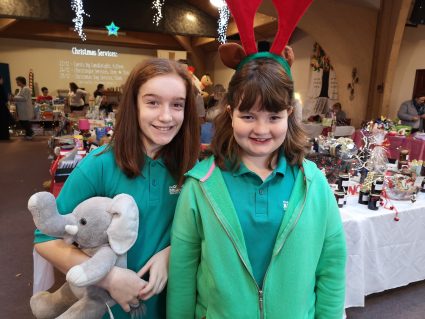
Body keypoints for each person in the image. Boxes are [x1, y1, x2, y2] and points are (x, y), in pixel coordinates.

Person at [167, 57, 347, 318]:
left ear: (289, 115)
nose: (261, 129)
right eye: (248, 116)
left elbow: (331, 264)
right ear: (230, 113)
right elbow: (183, 273)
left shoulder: (313, 184)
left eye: (274, 116)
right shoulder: (199, 186)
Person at [34, 58, 200, 319]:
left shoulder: (191, 167)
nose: (166, 116)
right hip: (108, 308)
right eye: (153, 102)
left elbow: (200, 231)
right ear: (133, 105)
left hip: (171, 304)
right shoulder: (99, 165)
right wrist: (109, 278)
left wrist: (171, 254)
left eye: (177, 105)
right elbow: (46, 239)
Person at [0, 75, 13, 140]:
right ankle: (4, 136)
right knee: (3, 122)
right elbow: (5, 98)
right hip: (1, 107)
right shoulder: (1, 87)